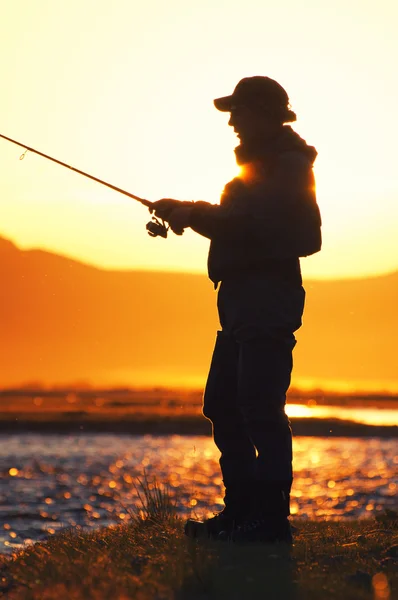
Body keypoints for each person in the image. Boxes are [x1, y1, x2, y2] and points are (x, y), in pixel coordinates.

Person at [151, 76, 322, 543]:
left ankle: (268, 522)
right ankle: (242, 512)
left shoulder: (285, 167)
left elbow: (271, 229)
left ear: (266, 114)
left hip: (266, 302)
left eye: (239, 112)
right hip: (242, 305)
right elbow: (241, 225)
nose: (231, 123)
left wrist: (192, 213)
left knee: (260, 410)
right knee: (223, 406)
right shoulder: (260, 169)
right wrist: (190, 212)